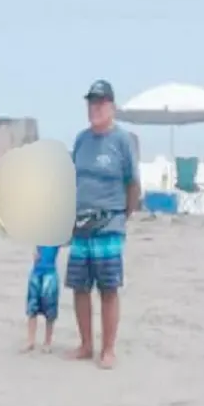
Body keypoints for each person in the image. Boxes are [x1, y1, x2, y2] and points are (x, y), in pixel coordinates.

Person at [66, 80, 140, 370]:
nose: (94, 109)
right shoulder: (81, 140)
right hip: (80, 225)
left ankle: (108, 349)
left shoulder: (122, 140)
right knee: (79, 287)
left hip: (109, 224)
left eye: (100, 103)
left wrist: (122, 216)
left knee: (108, 288)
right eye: (91, 103)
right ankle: (86, 345)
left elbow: (133, 184)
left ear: (111, 107)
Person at [23, 245, 61, 352]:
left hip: (50, 273)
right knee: (32, 307)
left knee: (50, 310)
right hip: (36, 272)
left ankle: (47, 341)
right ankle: (30, 340)